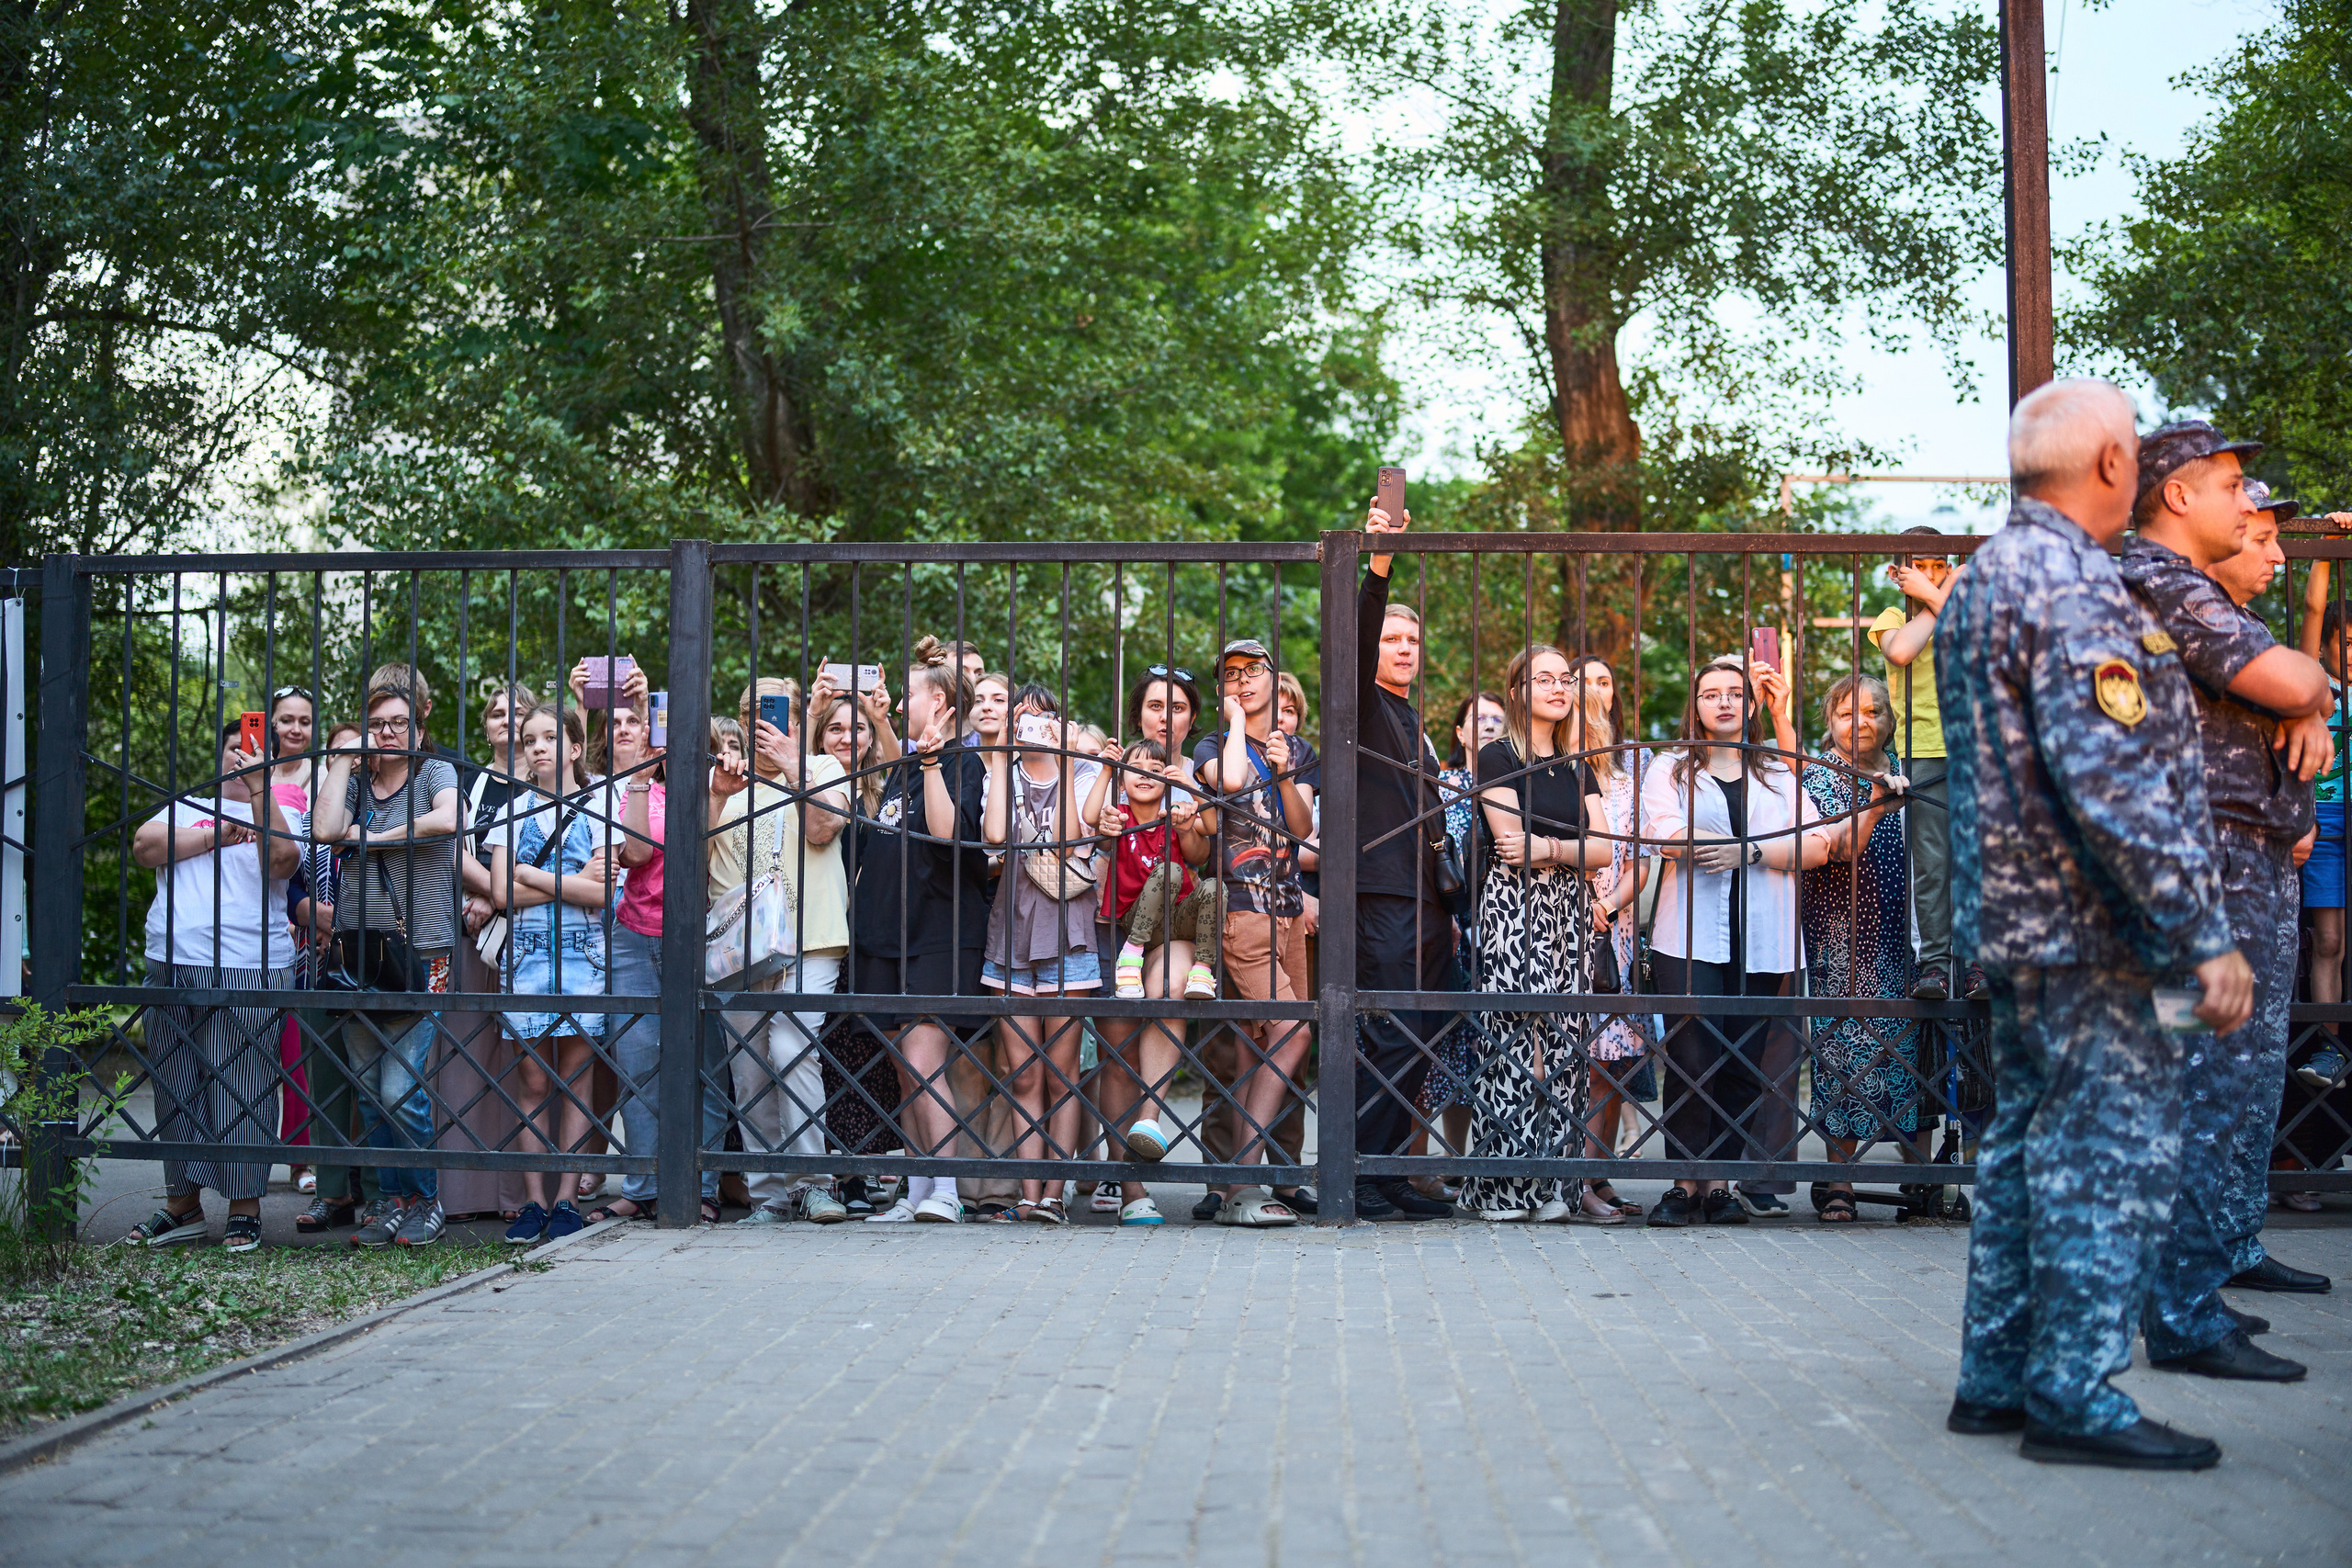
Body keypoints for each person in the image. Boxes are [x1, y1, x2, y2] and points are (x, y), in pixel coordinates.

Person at [1938, 377, 2253, 1470]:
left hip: (2018, 926)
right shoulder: (2073, 585)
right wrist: (2201, 934)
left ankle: (1998, 1378)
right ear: (2115, 465)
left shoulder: (1986, 576)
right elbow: (2110, 781)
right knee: (2104, 1157)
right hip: (2091, 933)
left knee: (2026, 1149)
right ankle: (2072, 1395)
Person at [2118, 422, 2335, 1371]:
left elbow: (2292, 682)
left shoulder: (2183, 589)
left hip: (2231, 862)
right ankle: (2181, 1312)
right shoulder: (2163, 584)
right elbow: (2288, 674)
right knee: (2208, 1077)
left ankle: (2192, 1289)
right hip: (2208, 866)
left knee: (2220, 1077)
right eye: (2234, 487)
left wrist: (2309, 704)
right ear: (2178, 494)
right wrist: (2309, 695)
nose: (2251, 507)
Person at [1641, 657, 1895, 1228]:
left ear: (1751, 705)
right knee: (1690, 1055)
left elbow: (1817, 845)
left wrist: (1746, 851)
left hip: (1764, 935)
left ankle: (1722, 1185)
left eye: (1736, 693)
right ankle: (1685, 1185)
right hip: (1688, 936)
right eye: (1712, 694)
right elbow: (1662, 832)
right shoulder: (1671, 767)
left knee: (1741, 1058)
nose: (1725, 702)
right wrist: (1735, 845)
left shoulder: (1778, 773)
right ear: (1697, 705)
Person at [121, 730, 300, 1252]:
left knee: (244, 1087)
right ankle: (184, 1207)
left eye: (253, 750)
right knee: (177, 1086)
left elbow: (283, 863)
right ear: (218, 755)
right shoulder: (186, 806)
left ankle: (244, 1208)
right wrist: (215, 835)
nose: (241, 756)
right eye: (233, 748)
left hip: (248, 966)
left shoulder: (282, 807)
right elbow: (143, 848)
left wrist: (262, 788)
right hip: (173, 963)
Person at [1457, 645, 1614, 1223]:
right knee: (1516, 1044)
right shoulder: (1498, 757)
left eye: (1565, 679)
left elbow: (1604, 850)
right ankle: (1504, 1188)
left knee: (1567, 1047)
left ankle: (1556, 1189)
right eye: (1542, 679)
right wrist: (1567, 851)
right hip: (1515, 907)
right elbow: (1508, 843)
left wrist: (1550, 847)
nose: (1557, 688)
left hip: (1569, 910)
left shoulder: (1578, 766)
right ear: (1518, 689)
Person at [306, 677, 465, 1248]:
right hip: (356, 956)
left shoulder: (433, 775)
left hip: (420, 952)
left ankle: (427, 1200)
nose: (389, 732)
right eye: (378, 725)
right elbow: (323, 830)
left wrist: (373, 837)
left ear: (419, 729)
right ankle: (390, 1203)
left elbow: (446, 820)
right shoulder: (357, 785)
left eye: (399, 723)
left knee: (400, 1087)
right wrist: (345, 762)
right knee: (371, 1090)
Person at [1348, 502, 1465, 1222]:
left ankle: (1388, 1170)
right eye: (1393, 636)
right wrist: (1379, 564)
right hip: (1382, 893)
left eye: (1413, 639)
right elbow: (1358, 639)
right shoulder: (1359, 702)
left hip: (1426, 901)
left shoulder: (1413, 716)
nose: (1403, 647)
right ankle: (1357, 1171)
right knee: (1392, 1034)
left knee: (1421, 1039)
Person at [847, 637, 989, 1224]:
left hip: (937, 930)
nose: (902, 706)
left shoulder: (964, 762)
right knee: (906, 1069)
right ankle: (916, 1192)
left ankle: (948, 1191)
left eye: (911, 696)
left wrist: (931, 763)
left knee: (925, 1059)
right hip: (886, 933)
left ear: (943, 702)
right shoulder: (898, 767)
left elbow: (947, 833)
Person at [718, 679, 854, 1225]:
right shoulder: (724, 782)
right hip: (736, 948)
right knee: (750, 1070)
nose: (764, 722)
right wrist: (714, 793)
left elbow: (823, 829)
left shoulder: (823, 769)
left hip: (810, 938)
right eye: (753, 713)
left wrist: (792, 763)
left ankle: (814, 1183)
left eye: (776, 713)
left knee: (791, 1046)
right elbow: (694, 854)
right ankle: (770, 1193)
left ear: (800, 719)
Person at [1194, 638, 1315, 1227]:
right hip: (1242, 912)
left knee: (1259, 1046)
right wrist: (1238, 720)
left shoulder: (1298, 748)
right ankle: (1244, 1181)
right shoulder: (1212, 746)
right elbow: (1234, 780)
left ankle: (1245, 1185)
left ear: (1275, 677)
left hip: (1289, 911)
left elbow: (1302, 826)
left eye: (1252, 672)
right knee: (1289, 1033)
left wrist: (1289, 772)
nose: (1241, 681)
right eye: (1231, 675)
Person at [484, 702, 613, 1245]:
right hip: (528, 958)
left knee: (577, 1082)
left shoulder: (599, 800)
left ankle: (566, 1201)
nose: (537, 747)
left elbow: (603, 893)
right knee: (534, 1081)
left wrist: (530, 875)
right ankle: (534, 1202)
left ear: (576, 747)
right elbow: (497, 893)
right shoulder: (509, 811)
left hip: (584, 955)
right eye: (529, 738)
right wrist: (567, 880)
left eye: (549, 737)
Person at [981, 694, 1112, 1224]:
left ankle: (1055, 1194)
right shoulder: (1002, 772)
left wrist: (1059, 757)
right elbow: (993, 837)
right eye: (1026, 716)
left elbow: (1066, 839)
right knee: (1023, 1077)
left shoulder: (1081, 773)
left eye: (1045, 717)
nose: (1035, 727)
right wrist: (998, 754)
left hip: (1068, 935)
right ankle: (1027, 1195)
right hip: (1010, 935)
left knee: (1062, 1076)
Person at [1799, 675, 1921, 1223]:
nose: (1862, 722)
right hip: (1842, 932)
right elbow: (1836, 851)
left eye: (1872, 711)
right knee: (1842, 1046)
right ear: (1831, 720)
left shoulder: (1913, 768)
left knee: (1914, 1047)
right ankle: (1839, 1179)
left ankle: (1921, 1180)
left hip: (1908, 929)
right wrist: (1874, 804)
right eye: (1849, 713)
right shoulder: (1816, 774)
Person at [1870, 529, 1972, 998]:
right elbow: (1902, 650)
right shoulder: (1893, 616)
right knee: (1932, 861)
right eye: (1921, 565)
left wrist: (1938, 592)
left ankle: (1977, 965)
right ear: (1898, 573)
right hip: (1924, 747)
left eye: (1940, 565)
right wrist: (1943, 593)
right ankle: (1935, 964)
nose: (1932, 573)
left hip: (1979, 745)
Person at [1418, 691, 1506, 1180]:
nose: (1489, 726)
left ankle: (1493, 1153)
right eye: (1479, 719)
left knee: (1494, 1039)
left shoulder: (1514, 780)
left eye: (1498, 718)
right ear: (1459, 732)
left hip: (1507, 925)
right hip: (1454, 924)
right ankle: (1454, 1156)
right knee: (1452, 1042)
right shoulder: (1445, 783)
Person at [1574, 658, 1649, 1220]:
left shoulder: (1630, 779)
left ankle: (1596, 1175)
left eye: (1603, 686)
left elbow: (1644, 860)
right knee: (1562, 1054)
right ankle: (1567, 1174)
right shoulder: (1548, 770)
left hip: (1613, 926)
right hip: (1555, 919)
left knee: (1610, 1058)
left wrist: (1607, 902)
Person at [2291, 502, 2352, 1091]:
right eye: (2348, 641)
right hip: (2324, 821)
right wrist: (2329, 551)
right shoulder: (2318, 686)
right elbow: (2312, 608)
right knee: (2327, 939)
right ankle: (2330, 1048)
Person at [262, 686, 318, 1192]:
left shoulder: (320, 776)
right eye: (285, 720)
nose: (295, 729)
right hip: (247, 917)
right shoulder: (246, 771)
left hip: (302, 920)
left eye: (304, 720)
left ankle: (304, 1156)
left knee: (299, 1043)